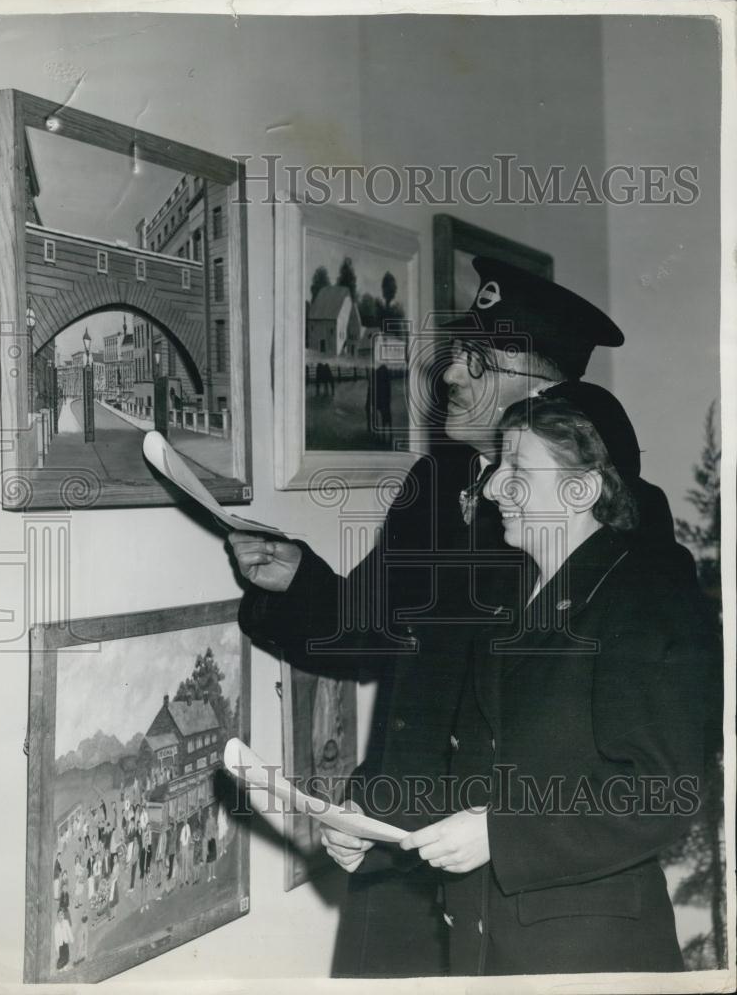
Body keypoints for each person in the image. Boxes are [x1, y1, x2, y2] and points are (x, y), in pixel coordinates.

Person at [228, 256, 692, 977]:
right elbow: (372, 627)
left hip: (523, 873)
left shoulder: (611, 518)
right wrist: (296, 582)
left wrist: (503, 831)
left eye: (471, 361)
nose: (447, 378)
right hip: (399, 838)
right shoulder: (437, 481)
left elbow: (627, 746)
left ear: (536, 390)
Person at [398, 390, 715, 974]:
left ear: (583, 489)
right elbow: (486, 764)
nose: (493, 487)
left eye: (517, 468)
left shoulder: (644, 599)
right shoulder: (507, 596)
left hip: (591, 952)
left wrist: (502, 836)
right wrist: (377, 829)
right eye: (497, 467)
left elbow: (663, 791)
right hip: (487, 937)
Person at [204, 806, 218, 882]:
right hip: (209, 841)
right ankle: (209, 876)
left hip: (213, 840)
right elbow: (205, 832)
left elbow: (215, 828)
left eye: (210, 811)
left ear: (211, 812)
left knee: (214, 859)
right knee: (209, 860)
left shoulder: (213, 819)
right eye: (208, 811)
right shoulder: (207, 821)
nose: (209, 812)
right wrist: (207, 837)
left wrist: (214, 834)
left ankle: (213, 874)